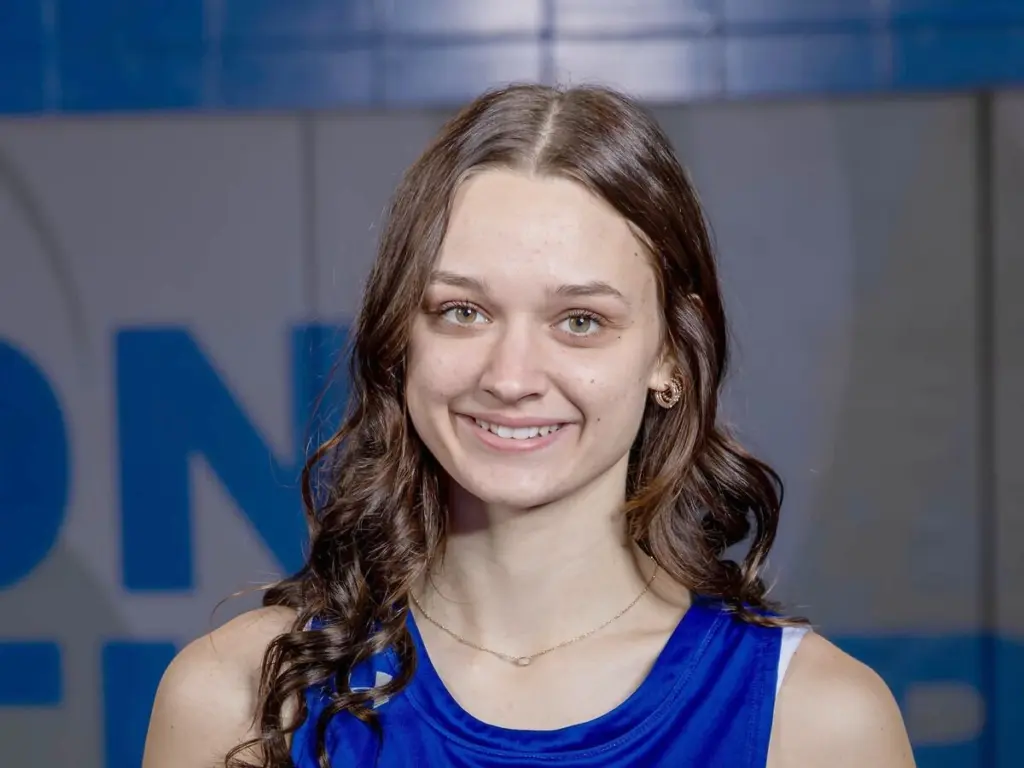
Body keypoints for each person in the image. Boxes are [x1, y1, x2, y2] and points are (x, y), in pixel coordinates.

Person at [142, 83, 915, 768]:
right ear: (399, 340)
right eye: (462, 311)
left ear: (671, 355)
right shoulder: (240, 703)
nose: (510, 377)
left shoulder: (816, 724)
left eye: (580, 320)